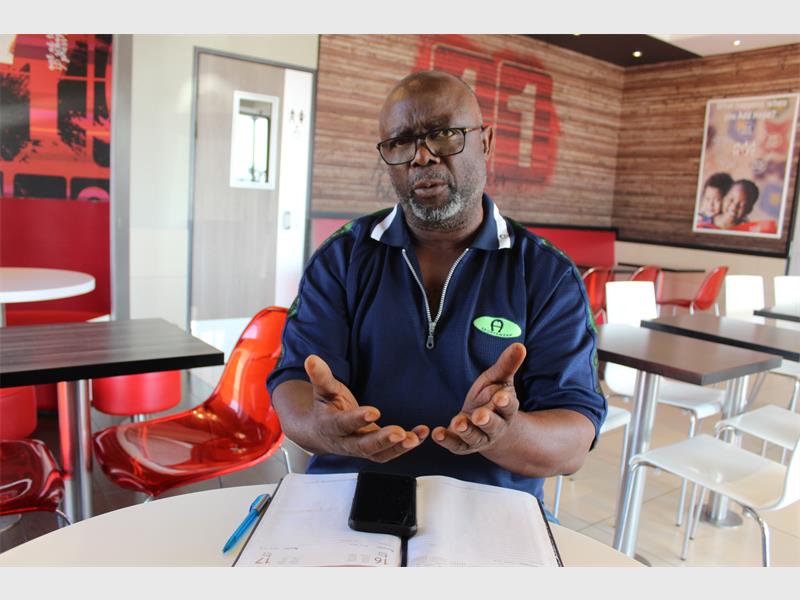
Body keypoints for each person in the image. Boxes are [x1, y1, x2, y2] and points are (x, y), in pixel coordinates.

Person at [267, 70, 607, 506]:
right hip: (347, 497)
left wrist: (503, 433)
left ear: (486, 142)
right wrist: (322, 429)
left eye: (444, 134)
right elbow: (294, 382)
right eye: (400, 142)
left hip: (490, 508)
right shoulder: (342, 257)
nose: (421, 157)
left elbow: (575, 439)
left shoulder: (546, 274)